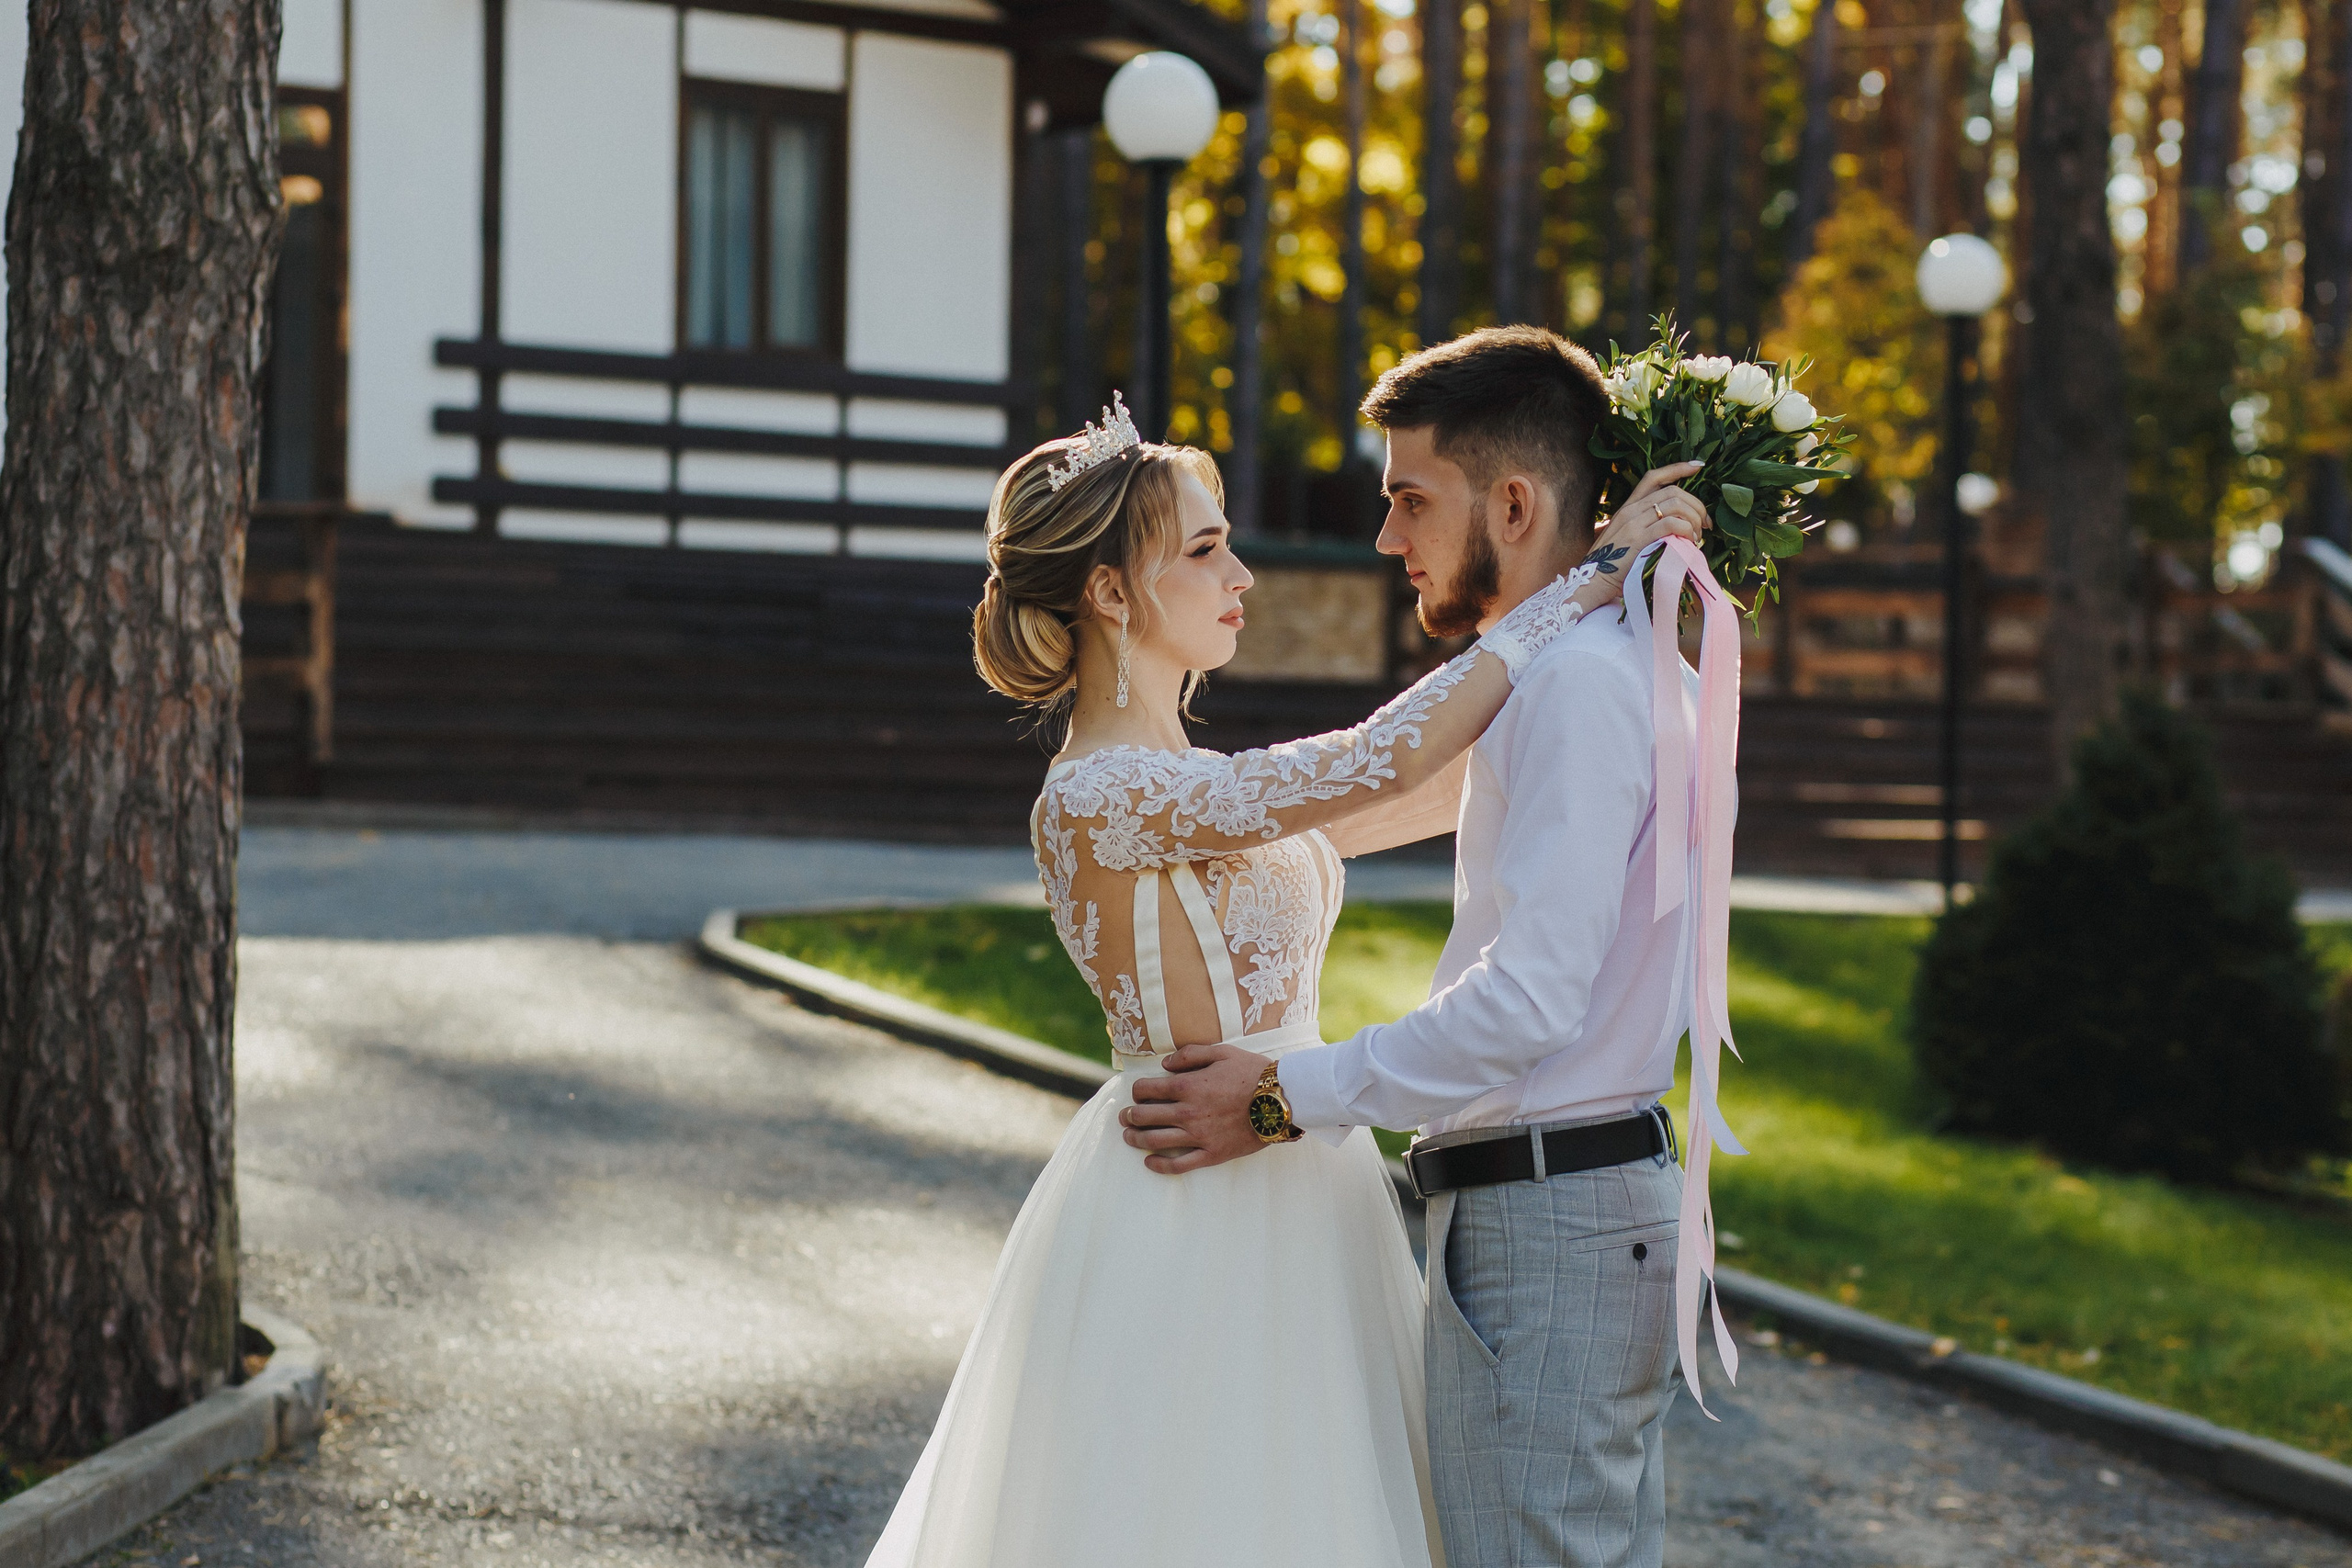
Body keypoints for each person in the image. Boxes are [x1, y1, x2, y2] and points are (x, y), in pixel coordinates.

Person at [859, 389, 1707, 1568]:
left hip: (1305, 1172)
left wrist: (1629, 635)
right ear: (1110, 593)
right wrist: (1582, 583)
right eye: (1204, 550)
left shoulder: (1197, 784)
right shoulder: (1105, 793)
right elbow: (1382, 758)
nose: (1240, 576)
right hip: (1197, 1176)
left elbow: (1442, 784)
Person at [1121, 326, 1719, 1568]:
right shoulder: (1586, 674)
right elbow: (1371, 800)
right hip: (1572, 1204)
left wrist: (1285, 1097)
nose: (1388, 536)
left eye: (1409, 498)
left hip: (1552, 1215)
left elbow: (1529, 1003)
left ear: (1513, 501)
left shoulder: (1573, 687)